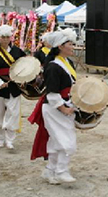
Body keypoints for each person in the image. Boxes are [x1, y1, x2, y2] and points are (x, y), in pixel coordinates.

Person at [29, 31, 78, 184]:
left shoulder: (66, 62)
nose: (72, 47)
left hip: (64, 105)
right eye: (70, 44)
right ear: (60, 46)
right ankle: (62, 171)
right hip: (54, 108)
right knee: (66, 139)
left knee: (56, 141)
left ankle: (50, 171)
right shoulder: (52, 67)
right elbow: (51, 93)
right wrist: (63, 108)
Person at [0, 25, 26, 149]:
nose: (5, 39)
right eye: (2, 37)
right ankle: (0, 136)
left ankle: (10, 139)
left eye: (7, 37)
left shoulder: (17, 51)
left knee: (13, 113)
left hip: (14, 86)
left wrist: (23, 79)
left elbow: (24, 66)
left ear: (11, 38)